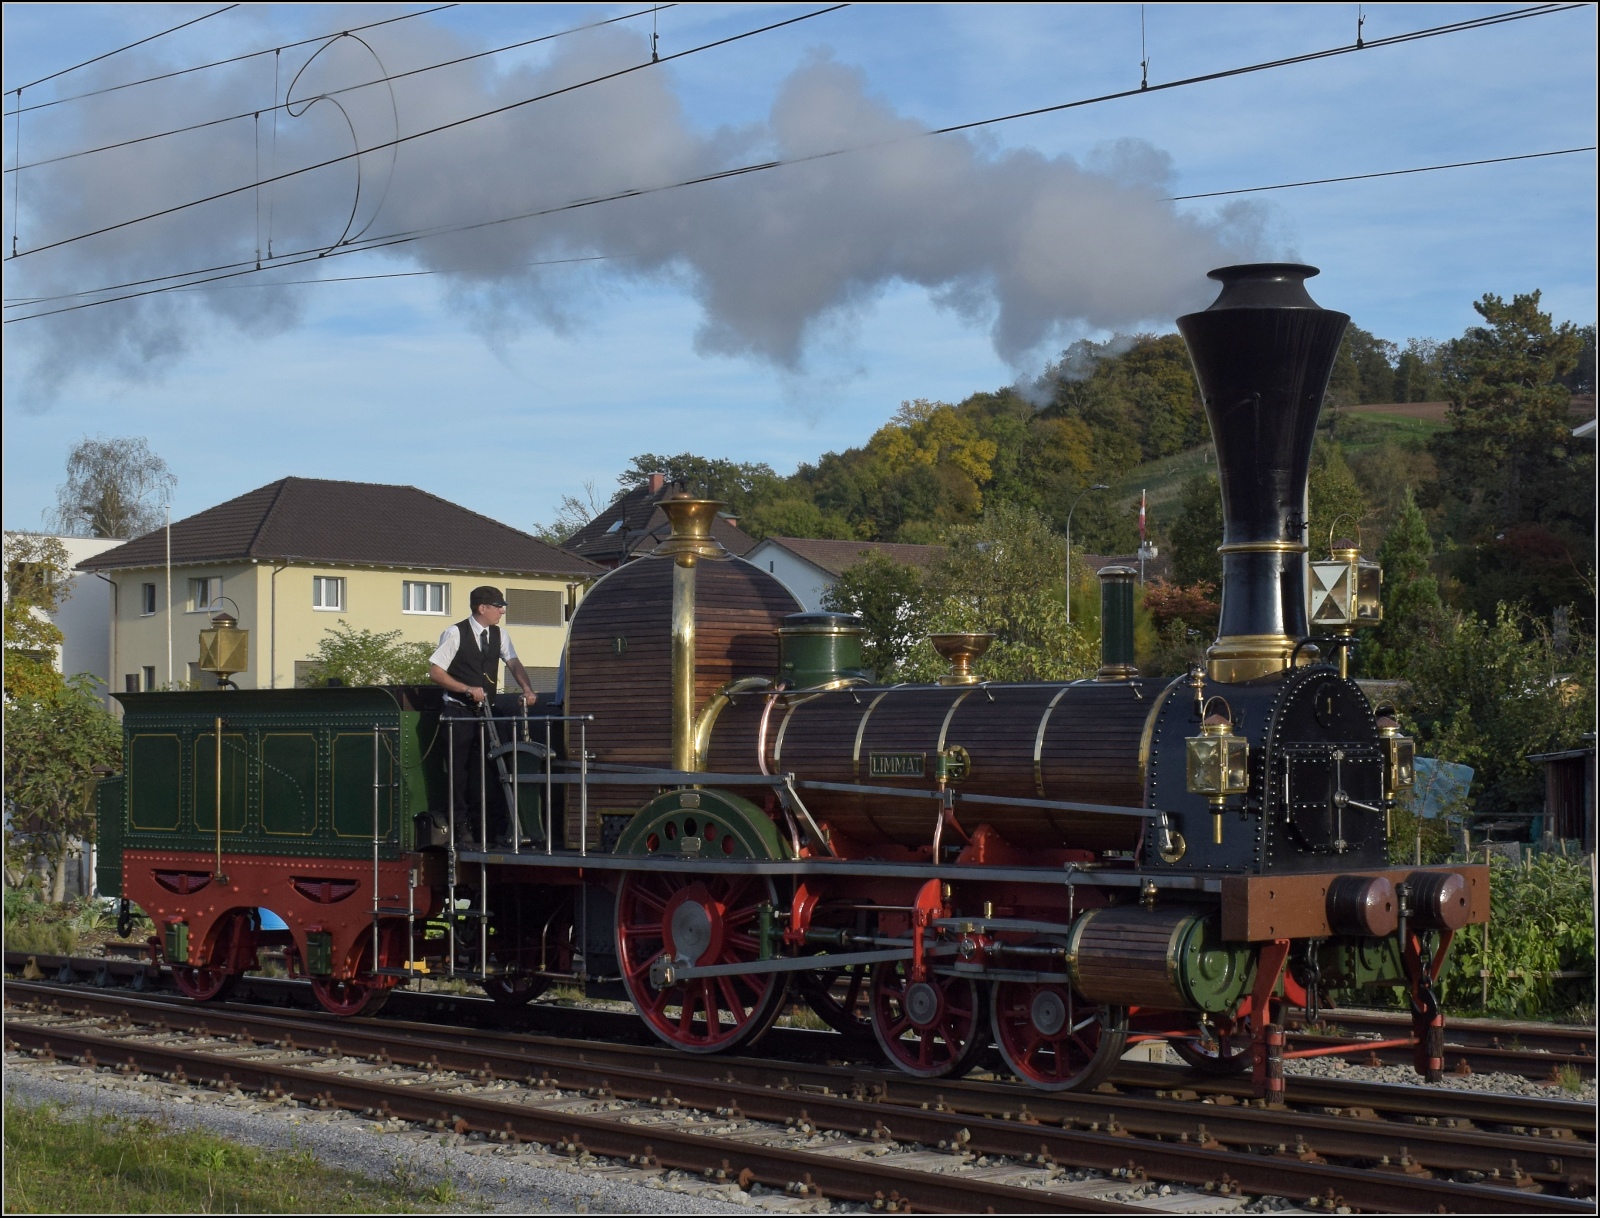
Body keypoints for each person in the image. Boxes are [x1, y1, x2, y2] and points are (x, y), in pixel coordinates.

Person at [428, 586, 539, 846]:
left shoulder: (500, 635)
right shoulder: (456, 633)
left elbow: (513, 662)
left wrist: (527, 689)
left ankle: (489, 825)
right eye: (498, 606)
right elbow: (435, 672)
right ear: (482, 608)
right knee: (459, 774)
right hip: (458, 712)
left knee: (490, 768)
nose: (502, 611)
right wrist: (466, 689)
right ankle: (460, 826)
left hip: (486, 712)